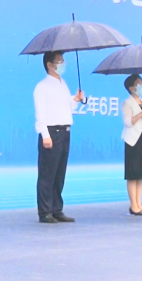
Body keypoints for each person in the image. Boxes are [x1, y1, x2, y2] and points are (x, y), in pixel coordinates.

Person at [33, 51, 85, 223]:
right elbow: (40, 114)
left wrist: (75, 99)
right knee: (47, 174)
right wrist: (45, 135)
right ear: (49, 65)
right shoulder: (42, 87)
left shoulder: (63, 84)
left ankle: (56, 209)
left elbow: (66, 107)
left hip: (65, 131)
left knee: (59, 173)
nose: (63, 64)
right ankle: (45, 211)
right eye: (59, 61)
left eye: (63, 61)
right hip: (51, 132)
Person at [122, 74, 142, 216]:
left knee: (141, 174)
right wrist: (140, 115)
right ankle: (133, 205)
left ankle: (139, 203)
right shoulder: (127, 103)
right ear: (131, 88)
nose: (141, 86)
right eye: (138, 83)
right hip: (133, 141)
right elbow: (127, 122)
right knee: (133, 174)